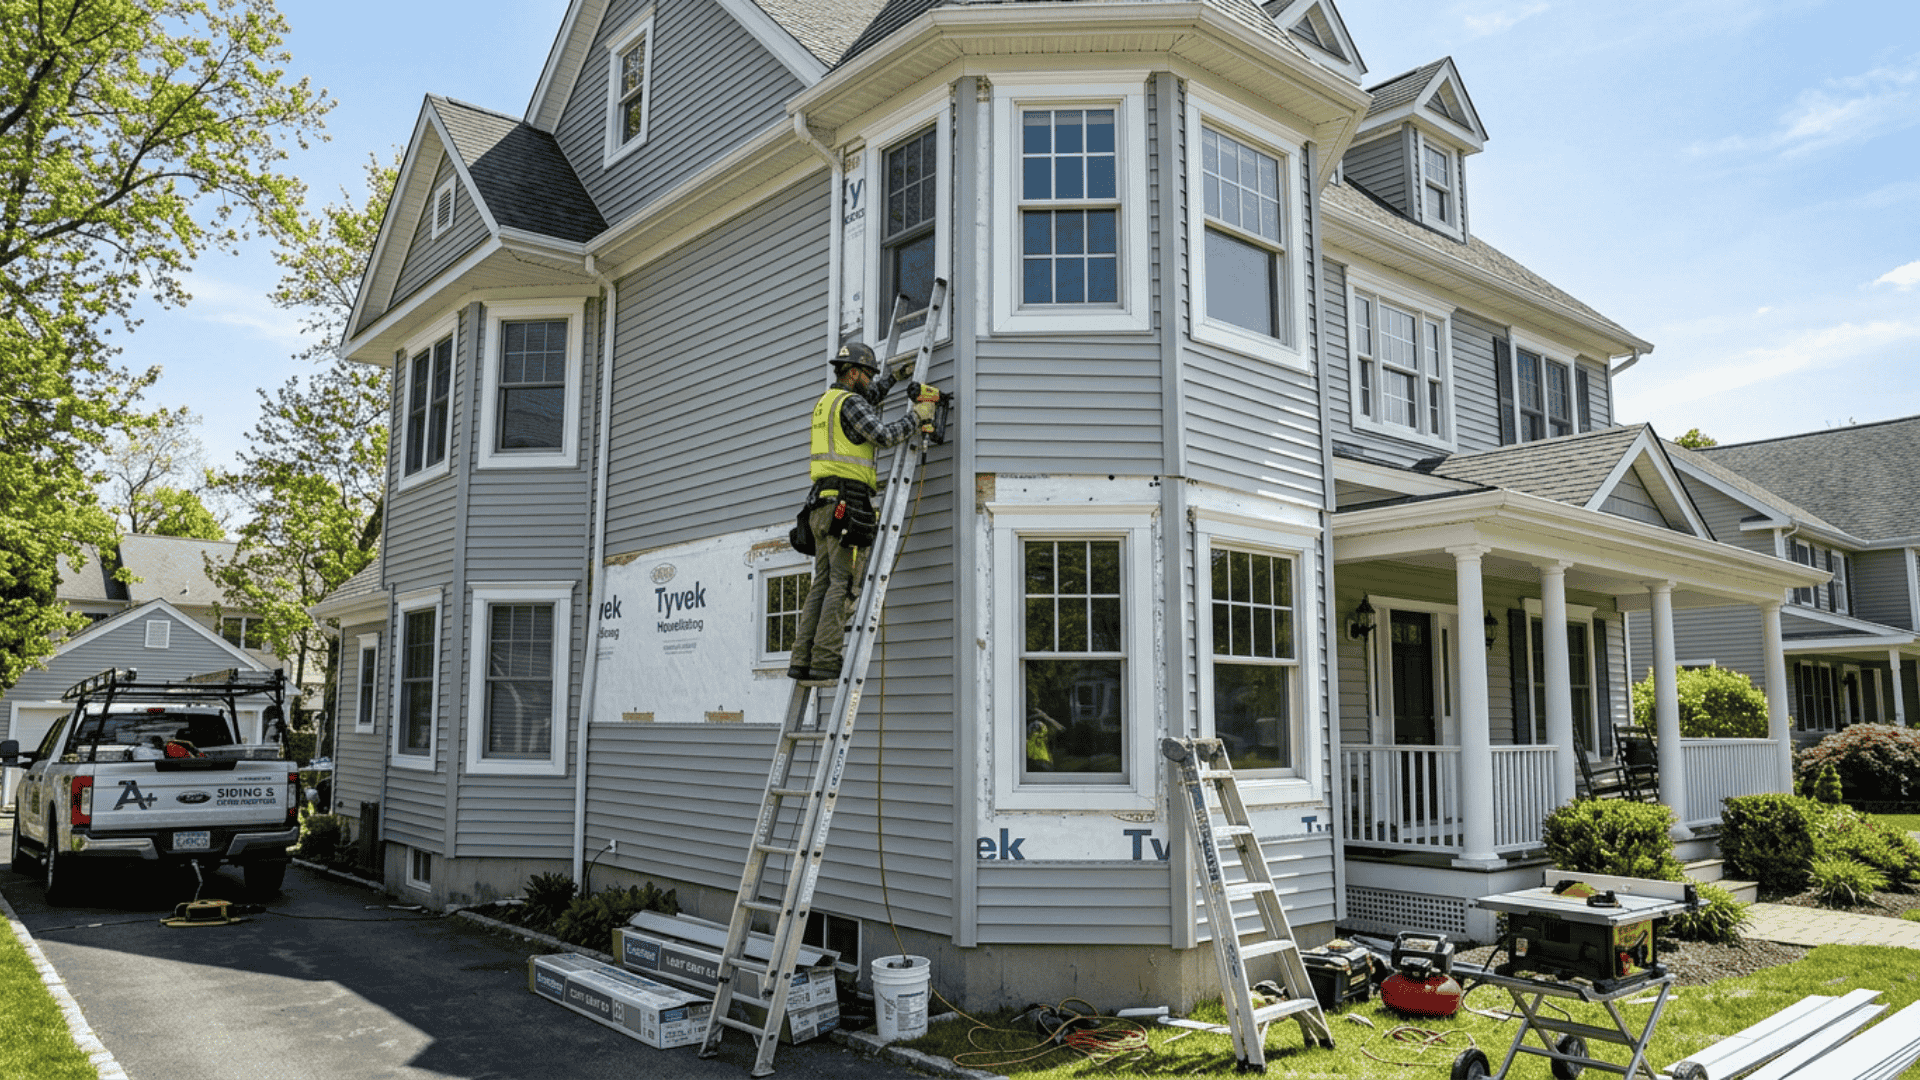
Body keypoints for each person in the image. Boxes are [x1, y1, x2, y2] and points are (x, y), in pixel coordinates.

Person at [788, 341, 939, 684]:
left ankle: (802, 659)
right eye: (868, 375)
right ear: (853, 373)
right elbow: (883, 435)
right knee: (843, 585)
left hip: (820, 506)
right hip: (847, 506)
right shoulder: (851, 403)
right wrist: (917, 417)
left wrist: (890, 380)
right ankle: (826, 661)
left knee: (823, 584)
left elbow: (864, 405)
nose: (871, 381)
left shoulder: (828, 402)